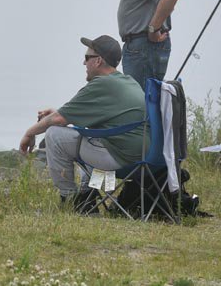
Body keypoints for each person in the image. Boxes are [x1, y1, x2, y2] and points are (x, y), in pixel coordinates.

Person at [18, 36, 146, 211]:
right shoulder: (127, 81)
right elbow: (66, 116)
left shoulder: (102, 84)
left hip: (120, 158)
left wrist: (29, 133)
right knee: (85, 135)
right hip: (142, 157)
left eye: (87, 58)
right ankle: (87, 198)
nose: (83, 63)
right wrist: (58, 114)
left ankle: (69, 200)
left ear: (98, 61)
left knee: (54, 135)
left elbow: (57, 121)